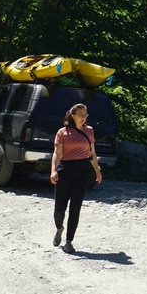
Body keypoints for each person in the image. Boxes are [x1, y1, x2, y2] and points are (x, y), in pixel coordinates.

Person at [50, 103, 102, 253]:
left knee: (76, 206)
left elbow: (92, 152)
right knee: (59, 209)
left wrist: (97, 169)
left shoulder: (89, 131)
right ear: (73, 116)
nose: (83, 117)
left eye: (85, 114)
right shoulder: (63, 132)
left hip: (83, 171)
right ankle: (59, 228)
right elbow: (57, 153)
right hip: (65, 170)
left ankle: (69, 241)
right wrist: (53, 170)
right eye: (81, 114)